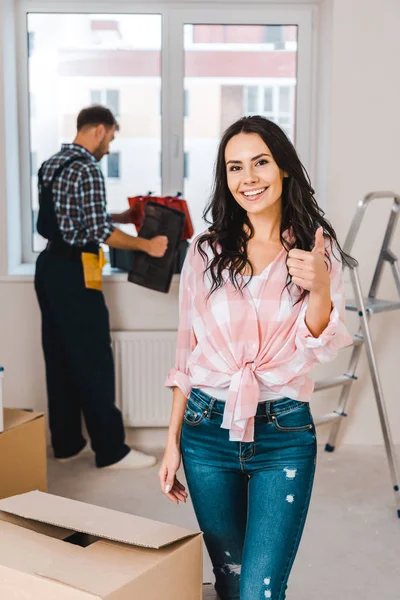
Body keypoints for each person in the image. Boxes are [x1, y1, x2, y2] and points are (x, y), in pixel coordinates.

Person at [159, 116, 356, 600]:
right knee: (228, 582)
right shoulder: (205, 252)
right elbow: (188, 351)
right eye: (234, 167)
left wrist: (321, 286)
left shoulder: (315, 250)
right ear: (225, 179)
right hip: (206, 432)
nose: (248, 178)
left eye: (261, 163)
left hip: (283, 434)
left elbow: (319, 345)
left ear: (283, 168)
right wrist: (171, 443)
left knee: (259, 591)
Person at [35, 105, 168, 469]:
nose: (109, 145)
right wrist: (147, 245)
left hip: (49, 268)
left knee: (60, 357)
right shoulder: (88, 168)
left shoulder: (53, 163)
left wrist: (119, 217)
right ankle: (111, 451)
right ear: (98, 129)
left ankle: (66, 444)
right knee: (93, 358)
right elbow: (95, 231)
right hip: (77, 269)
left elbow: (73, 216)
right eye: (110, 136)